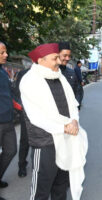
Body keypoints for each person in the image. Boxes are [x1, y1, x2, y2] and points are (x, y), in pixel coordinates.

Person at [20, 43, 88, 200]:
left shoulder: (60, 77)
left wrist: (74, 121)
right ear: (40, 60)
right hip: (45, 144)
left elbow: (72, 105)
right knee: (41, 191)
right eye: (54, 58)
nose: (59, 61)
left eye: (58, 57)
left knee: (60, 187)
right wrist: (65, 127)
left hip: (65, 141)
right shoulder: (29, 81)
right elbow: (36, 116)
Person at [0, 42, 17, 200]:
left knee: (11, 150)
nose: (6, 55)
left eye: (5, 52)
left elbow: (10, 94)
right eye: (2, 52)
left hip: (8, 120)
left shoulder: (3, 72)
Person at [13, 68, 30, 177]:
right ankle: (22, 165)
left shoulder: (48, 73)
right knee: (25, 140)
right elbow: (16, 93)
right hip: (26, 113)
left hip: (44, 113)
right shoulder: (23, 73)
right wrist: (21, 109)